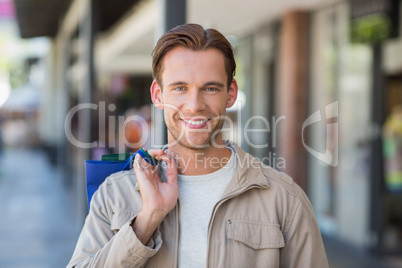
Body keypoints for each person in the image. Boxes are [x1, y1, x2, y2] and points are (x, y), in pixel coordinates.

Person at [68, 23, 329, 268]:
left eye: (211, 88)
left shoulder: (285, 200)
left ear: (231, 94)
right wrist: (147, 220)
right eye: (180, 87)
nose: (194, 105)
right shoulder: (115, 193)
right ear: (158, 95)